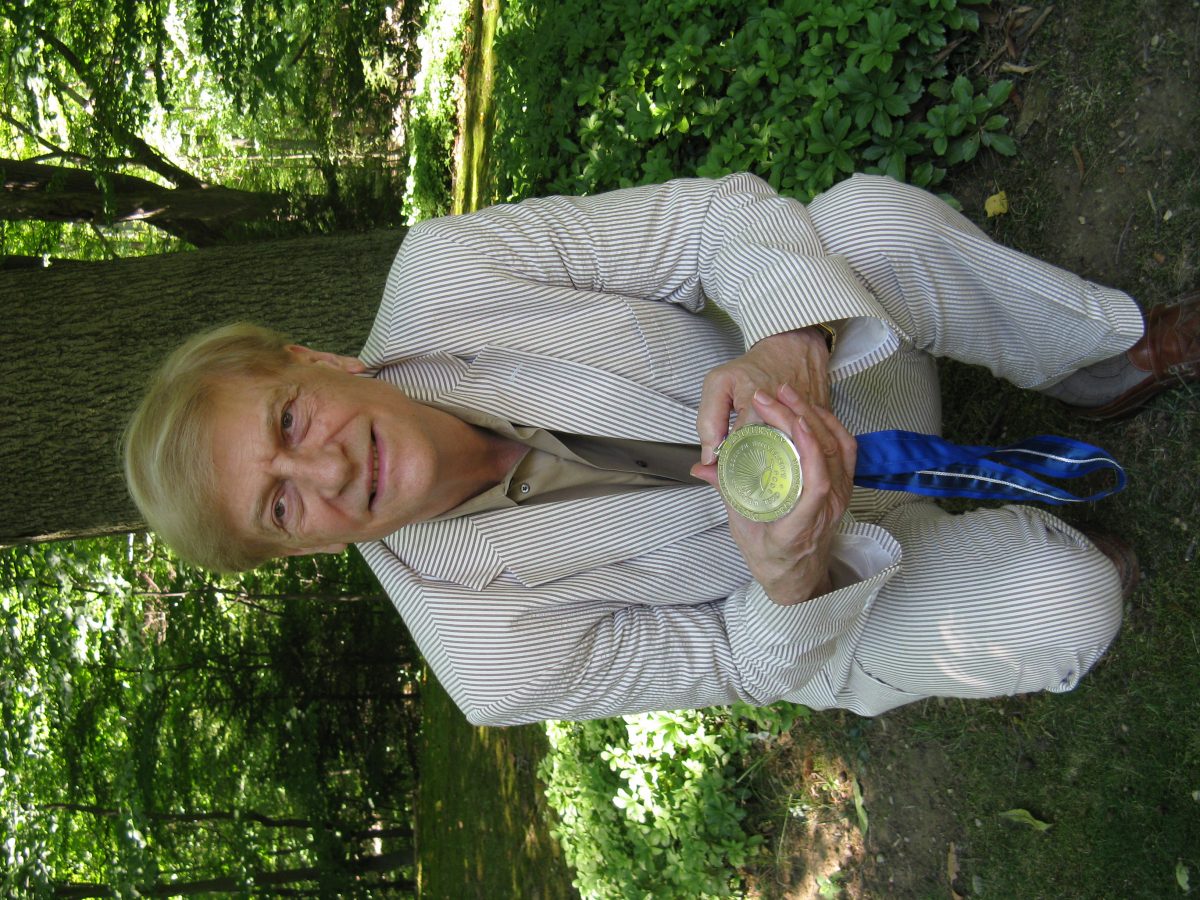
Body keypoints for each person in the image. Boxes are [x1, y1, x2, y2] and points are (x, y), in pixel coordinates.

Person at [124, 172, 1199, 725]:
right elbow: (736, 666)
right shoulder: (486, 665)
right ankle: (1052, 568)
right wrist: (790, 575)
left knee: (866, 221)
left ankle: (1103, 355)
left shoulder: (450, 269)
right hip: (848, 586)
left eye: (287, 426)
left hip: (850, 372)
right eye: (279, 507)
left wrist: (785, 348)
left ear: (316, 362)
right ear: (298, 556)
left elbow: (717, 222)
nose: (324, 471)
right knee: (1068, 605)